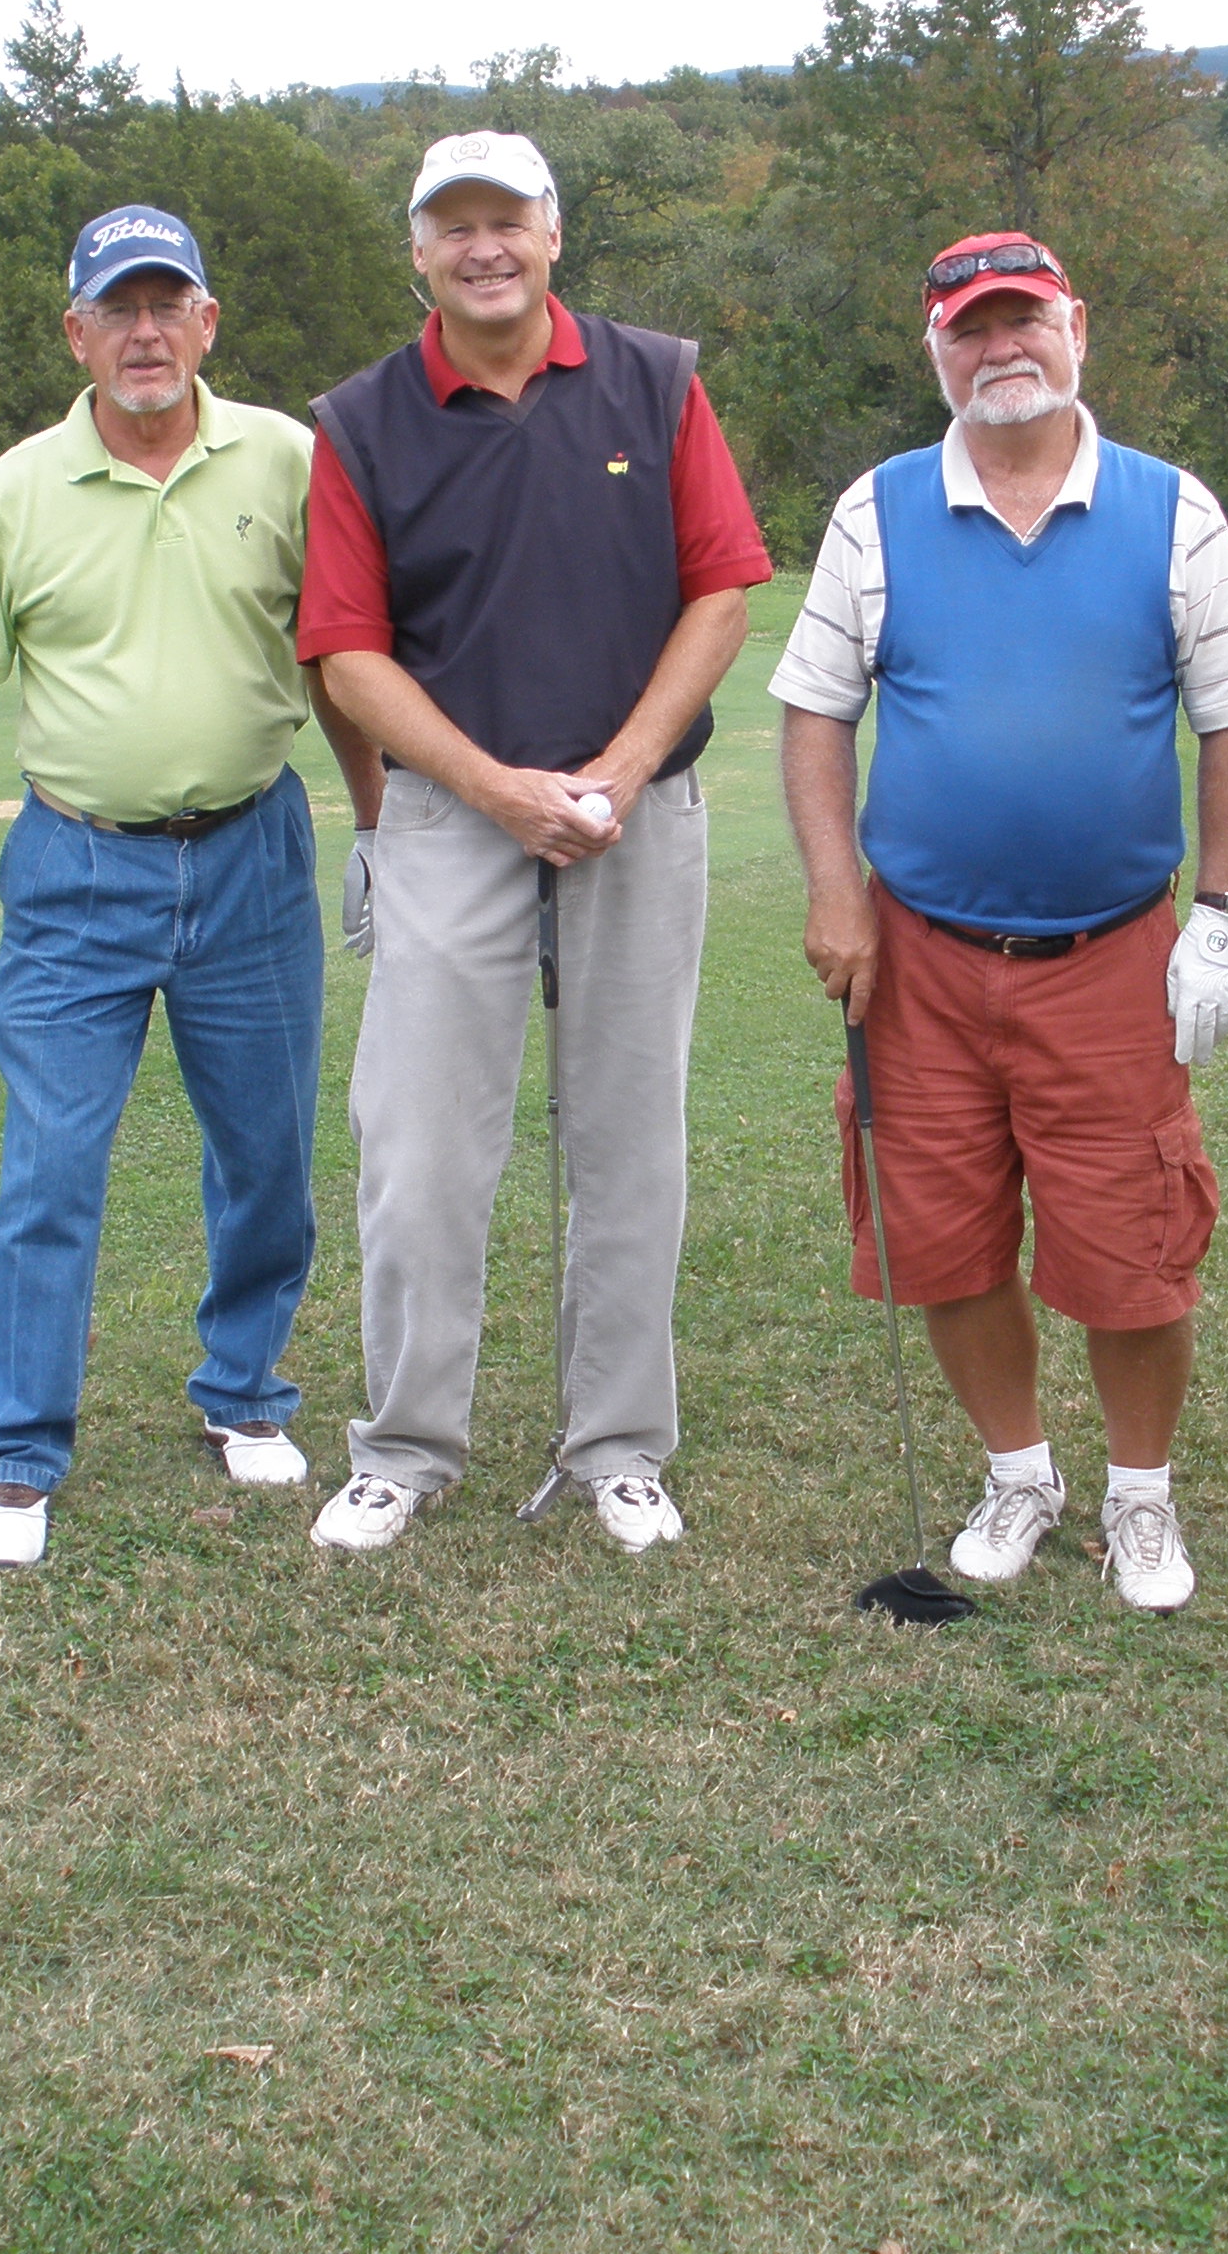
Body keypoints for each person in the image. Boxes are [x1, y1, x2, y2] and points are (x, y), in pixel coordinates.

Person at [771, 232, 1228, 1614]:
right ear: (936, 349)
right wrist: (835, 892)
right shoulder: (876, 513)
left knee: (1131, 1248)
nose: (1001, 350)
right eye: (969, 329)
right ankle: (1018, 1474)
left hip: (1109, 954)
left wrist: (1221, 920)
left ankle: (1140, 1501)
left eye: (1025, 322)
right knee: (940, 1234)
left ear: (1077, 329)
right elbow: (816, 707)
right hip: (920, 957)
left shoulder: (1176, 513)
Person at [296, 131, 773, 1557]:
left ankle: (620, 1446)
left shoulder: (656, 380)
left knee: (630, 1142)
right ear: (420, 254)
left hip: (638, 813)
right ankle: (404, 1447)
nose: (484, 246)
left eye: (509, 220)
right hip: (451, 816)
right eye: (455, 227)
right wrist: (499, 788)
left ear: (553, 234)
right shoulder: (364, 420)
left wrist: (617, 773)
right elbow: (348, 653)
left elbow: (723, 596)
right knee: (421, 1147)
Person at [0, 204, 382, 1569]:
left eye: (171, 304)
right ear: (79, 332)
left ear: (209, 322)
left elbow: (340, 660)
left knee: (268, 1156)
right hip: (73, 870)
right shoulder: (14, 492)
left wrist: (380, 830)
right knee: (51, 1165)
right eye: (120, 308)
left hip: (253, 857)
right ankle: (16, 1455)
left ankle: (244, 1391)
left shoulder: (288, 460)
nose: (147, 331)